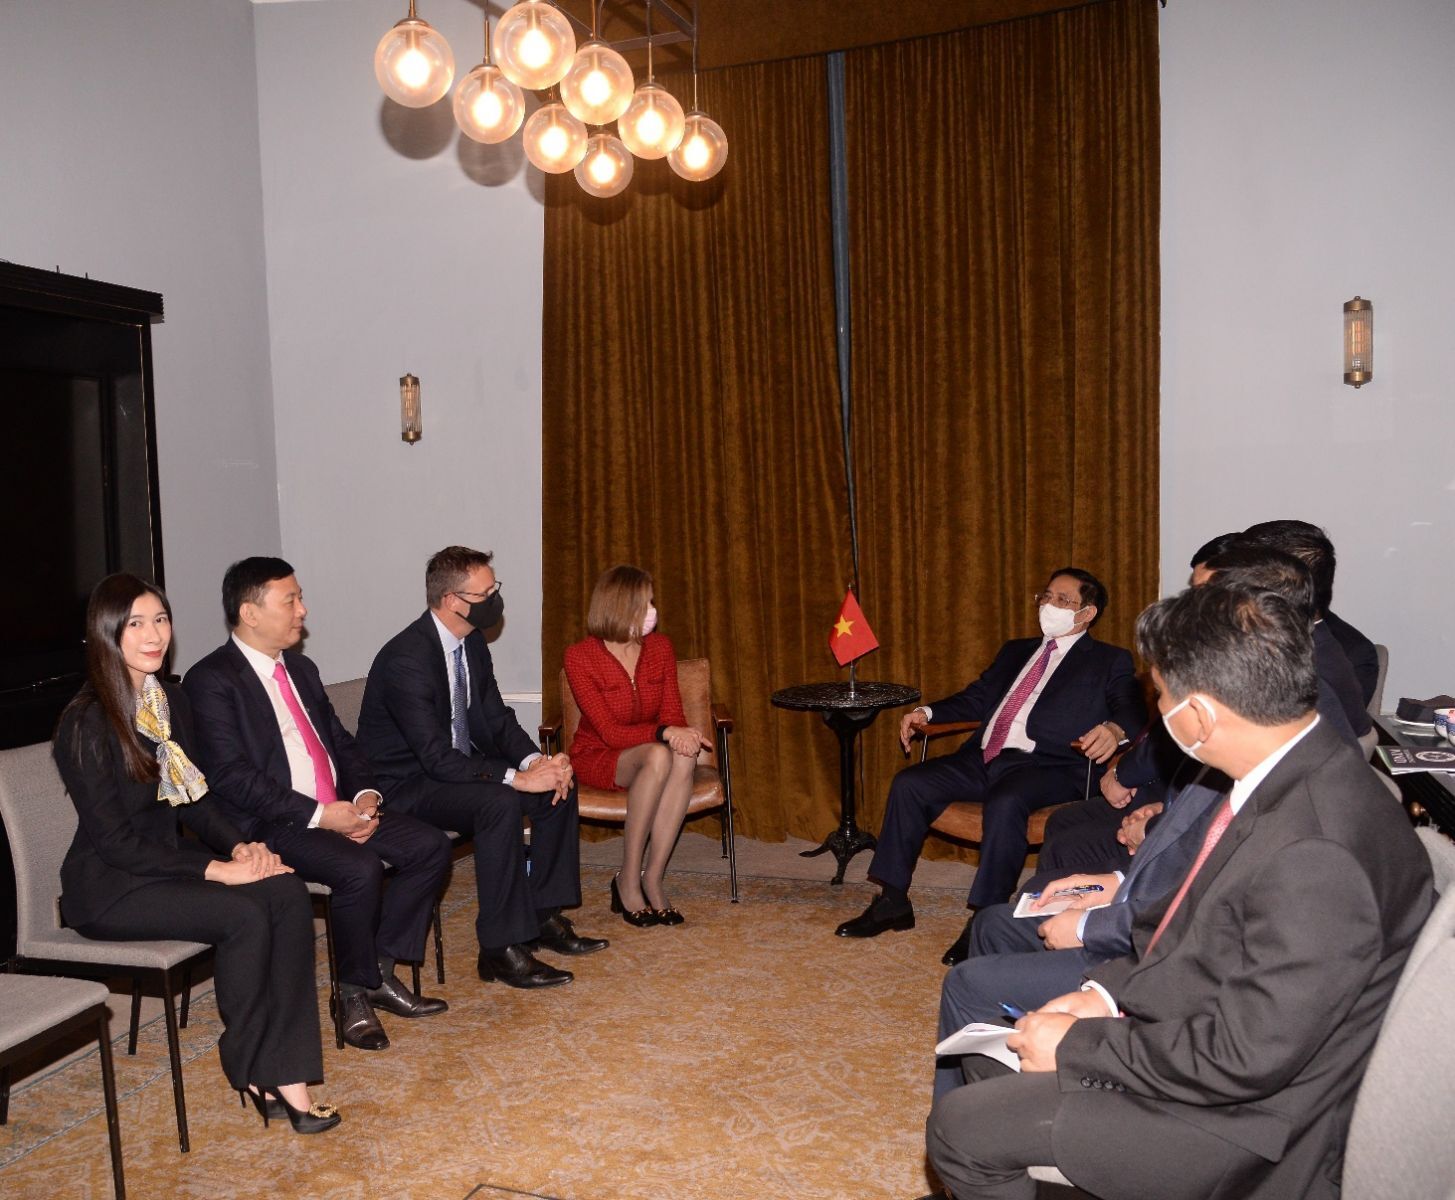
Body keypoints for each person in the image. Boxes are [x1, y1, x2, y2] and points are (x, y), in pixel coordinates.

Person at [924, 582, 1433, 1200]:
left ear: (1200, 715)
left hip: (1253, 1127)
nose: (1157, 712)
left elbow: (1246, 1057)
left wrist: (1082, 1046)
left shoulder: (1316, 853)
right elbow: (1197, 923)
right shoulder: (1296, 767)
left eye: (1161, 695)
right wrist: (1102, 994)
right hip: (1219, 1047)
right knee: (995, 1060)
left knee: (960, 1128)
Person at [53, 574, 340, 1133]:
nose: (154, 634)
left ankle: (287, 1073)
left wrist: (240, 846)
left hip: (162, 870)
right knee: (242, 914)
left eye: (160, 619)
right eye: (135, 624)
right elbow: (115, 843)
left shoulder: (168, 702)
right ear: (107, 633)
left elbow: (195, 798)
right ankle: (251, 1065)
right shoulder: (87, 722)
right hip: (109, 888)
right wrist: (215, 869)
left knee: (285, 891)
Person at [183, 557, 451, 1052]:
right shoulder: (212, 680)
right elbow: (230, 776)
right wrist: (321, 816)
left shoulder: (301, 669)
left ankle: (376, 970)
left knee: (430, 847)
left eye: (300, 598)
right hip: (270, 824)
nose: (302, 610)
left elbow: (341, 744)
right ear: (250, 612)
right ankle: (351, 995)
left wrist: (366, 796)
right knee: (358, 868)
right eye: (290, 601)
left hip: (335, 807)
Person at [836, 567, 1146, 965]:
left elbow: (1133, 709)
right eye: (1046, 596)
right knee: (911, 783)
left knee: (1006, 800)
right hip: (984, 756)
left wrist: (1115, 728)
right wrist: (927, 712)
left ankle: (985, 917)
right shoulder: (1016, 650)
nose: (1049, 605)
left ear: (1087, 613)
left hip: (1049, 766)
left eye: (1062, 600)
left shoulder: (1108, 660)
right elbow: (977, 698)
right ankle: (892, 900)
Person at [359, 546, 608, 989]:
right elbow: (435, 757)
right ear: (452, 600)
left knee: (557, 787)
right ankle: (500, 947)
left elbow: (495, 718)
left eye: (495, 588)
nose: (495, 599)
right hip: (405, 783)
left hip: (450, 769)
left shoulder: (470, 641)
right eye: (486, 593)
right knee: (499, 801)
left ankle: (541, 916)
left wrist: (537, 762)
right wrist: (516, 778)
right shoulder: (406, 659)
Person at [564, 565, 709, 927]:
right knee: (661, 752)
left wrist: (683, 734)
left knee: (682, 754)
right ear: (619, 606)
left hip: (648, 750)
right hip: (598, 755)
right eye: (645, 604)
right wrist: (666, 733)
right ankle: (628, 879)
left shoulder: (660, 647)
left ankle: (653, 878)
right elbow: (610, 733)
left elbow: (672, 713)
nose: (652, 611)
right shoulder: (580, 656)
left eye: (652, 603)